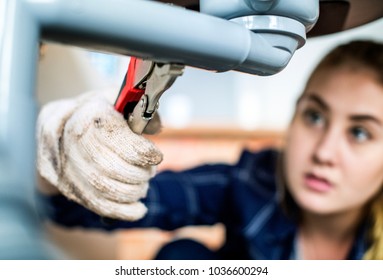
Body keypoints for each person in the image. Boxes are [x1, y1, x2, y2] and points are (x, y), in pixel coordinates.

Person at [36, 40, 383, 260]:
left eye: (360, 133)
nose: (324, 152)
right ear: (294, 116)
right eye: (315, 116)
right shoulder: (250, 182)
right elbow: (104, 206)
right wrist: (62, 156)